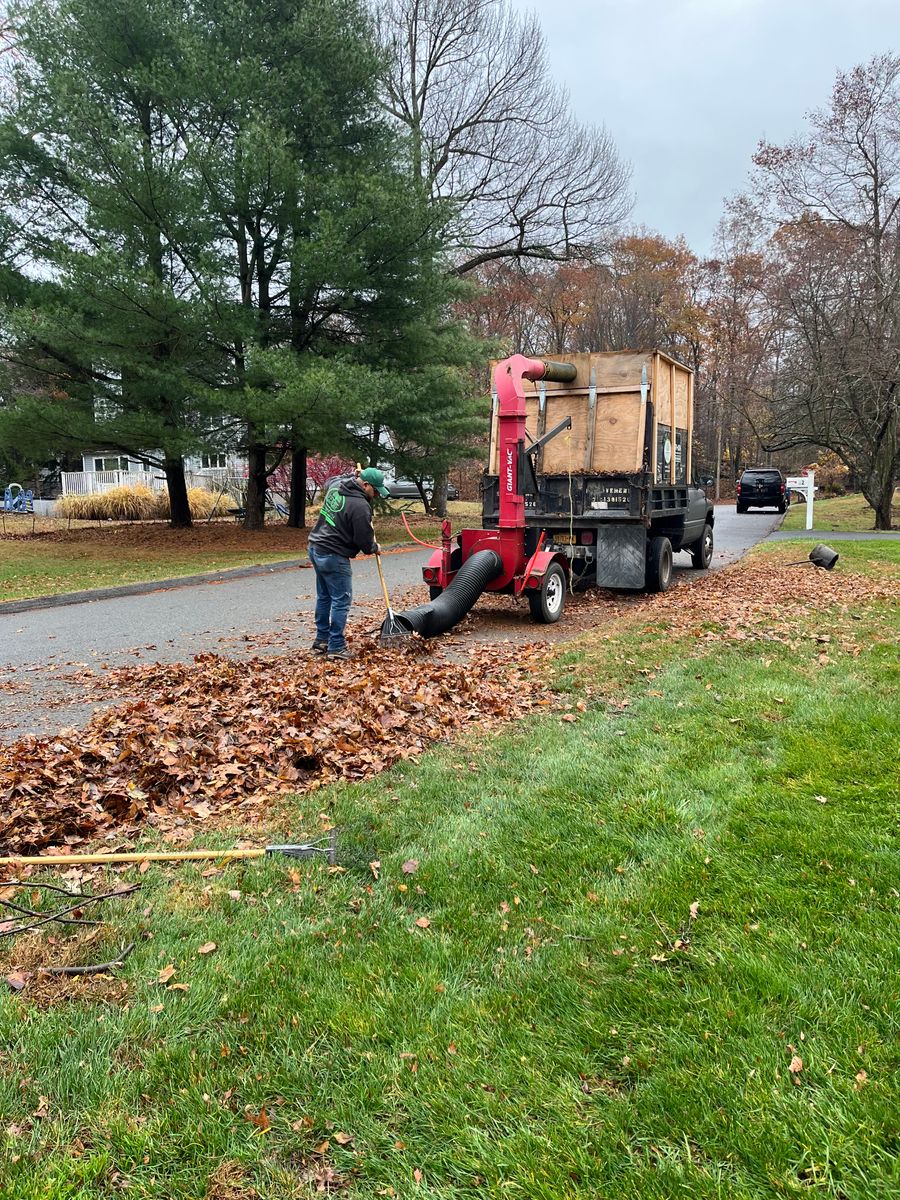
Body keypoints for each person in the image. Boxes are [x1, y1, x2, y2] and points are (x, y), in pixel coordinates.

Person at [307, 466, 390, 659]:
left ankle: (321, 640)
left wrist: (351, 474)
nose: (377, 495)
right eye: (375, 490)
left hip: (316, 547)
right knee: (341, 600)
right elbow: (364, 541)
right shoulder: (360, 507)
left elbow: (330, 480)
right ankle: (336, 646)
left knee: (324, 596)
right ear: (365, 485)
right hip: (333, 555)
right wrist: (374, 547)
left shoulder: (337, 485)